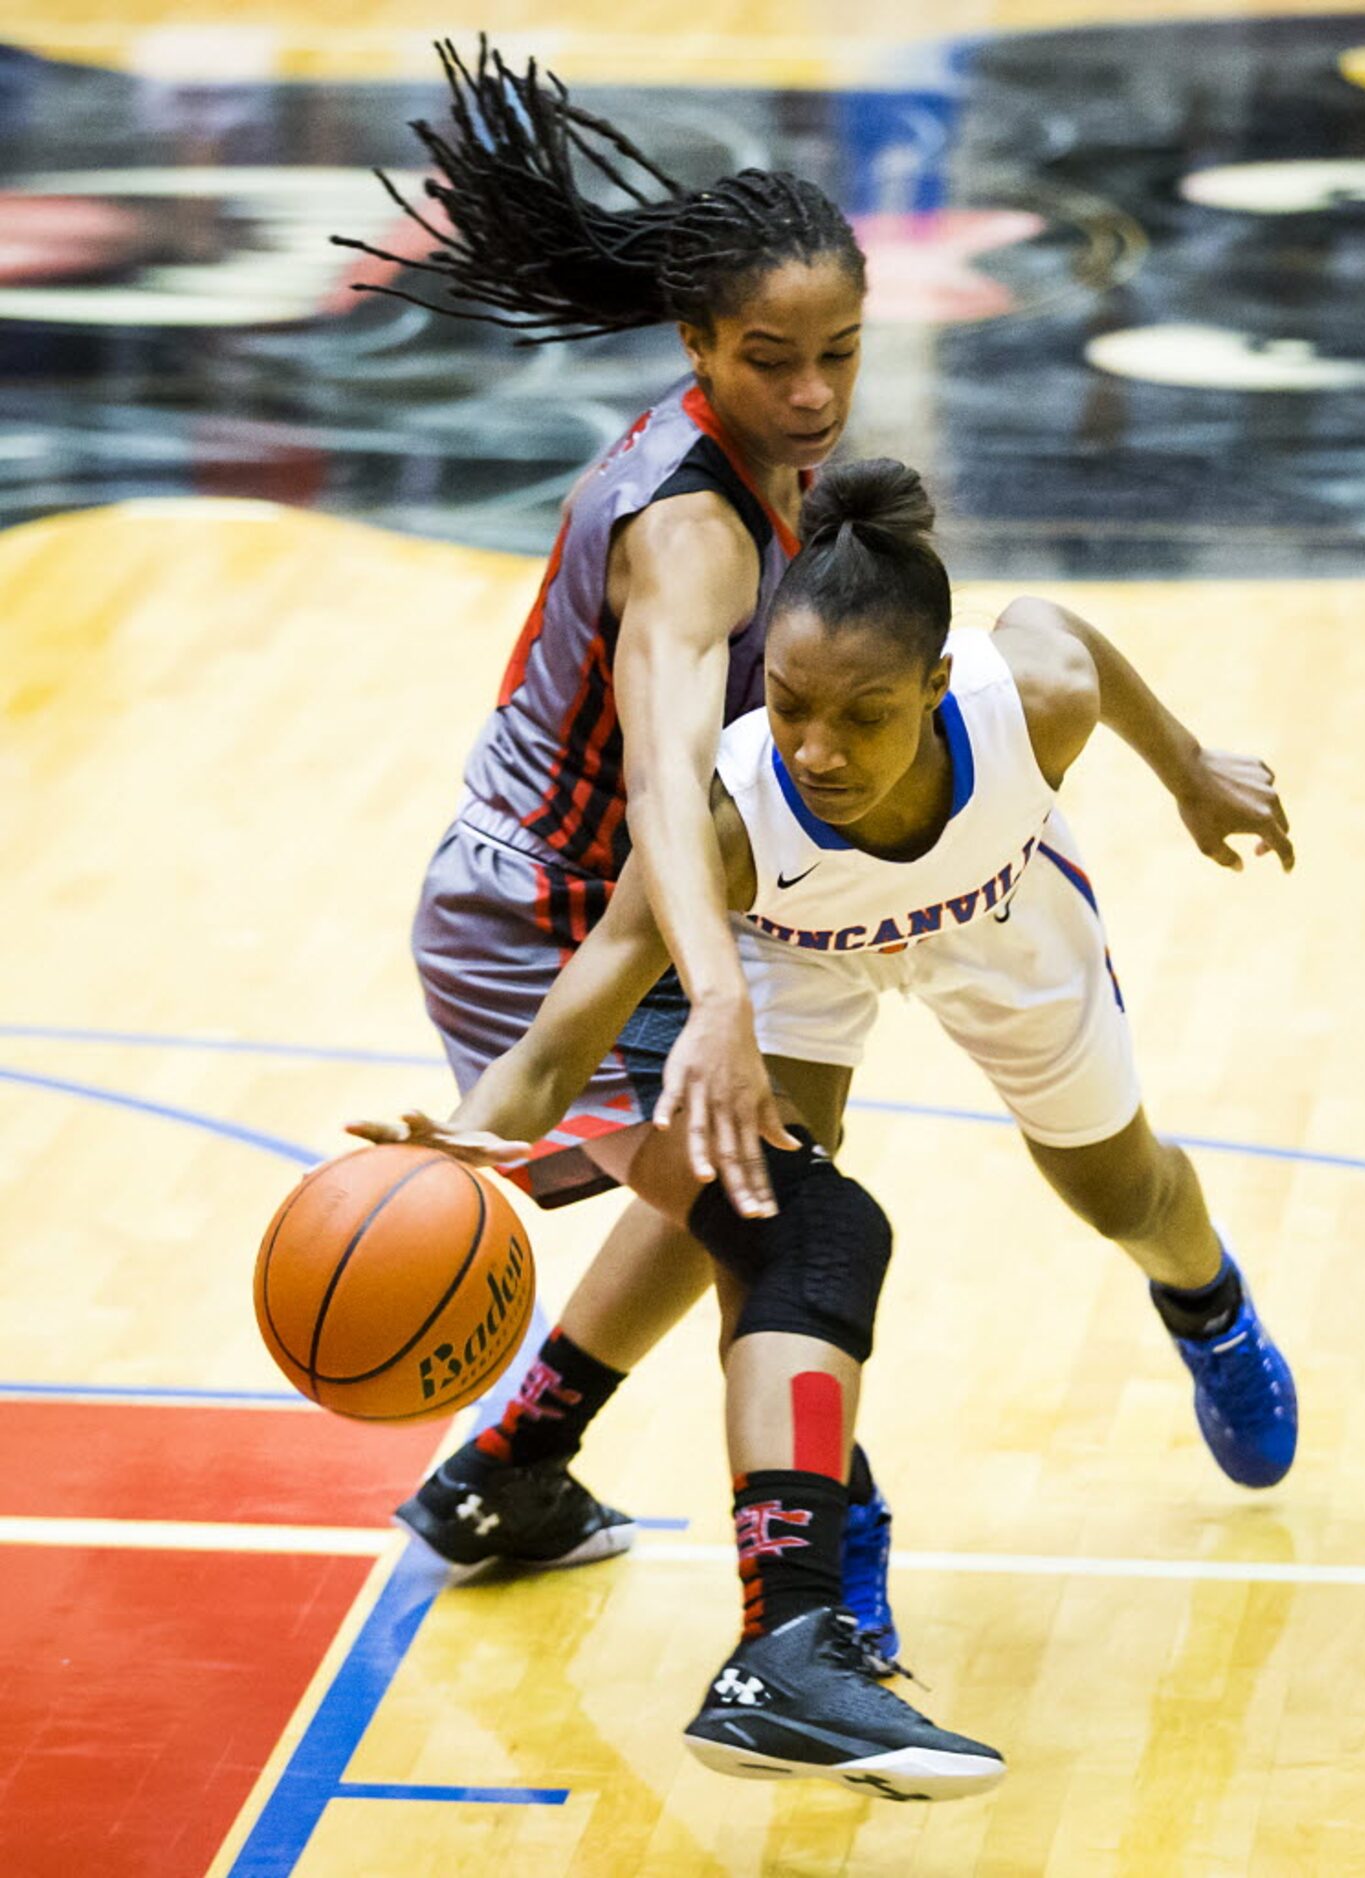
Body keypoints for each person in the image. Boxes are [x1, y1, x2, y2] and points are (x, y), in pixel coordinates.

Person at [354, 457, 1298, 1799]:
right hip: (805, 958)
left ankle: (1208, 1305)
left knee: (1120, 1189)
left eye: (865, 714)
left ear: (934, 684)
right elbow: (565, 1038)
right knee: (775, 1218)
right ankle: (827, 1558)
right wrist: (460, 1139)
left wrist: (1193, 768)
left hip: (997, 917)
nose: (821, 749)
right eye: (791, 707)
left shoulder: (1029, 702)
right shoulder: (740, 814)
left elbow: (1070, 635)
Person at [333, 39, 900, 1655]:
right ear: (697, 340)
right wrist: (715, 996)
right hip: (552, 909)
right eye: (771, 359)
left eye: (840, 354)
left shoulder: (766, 454)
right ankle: (803, 1620)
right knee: (798, 1225)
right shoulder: (697, 530)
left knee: (755, 1163)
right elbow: (661, 777)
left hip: (643, 894)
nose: (811, 393)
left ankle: (516, 1463)